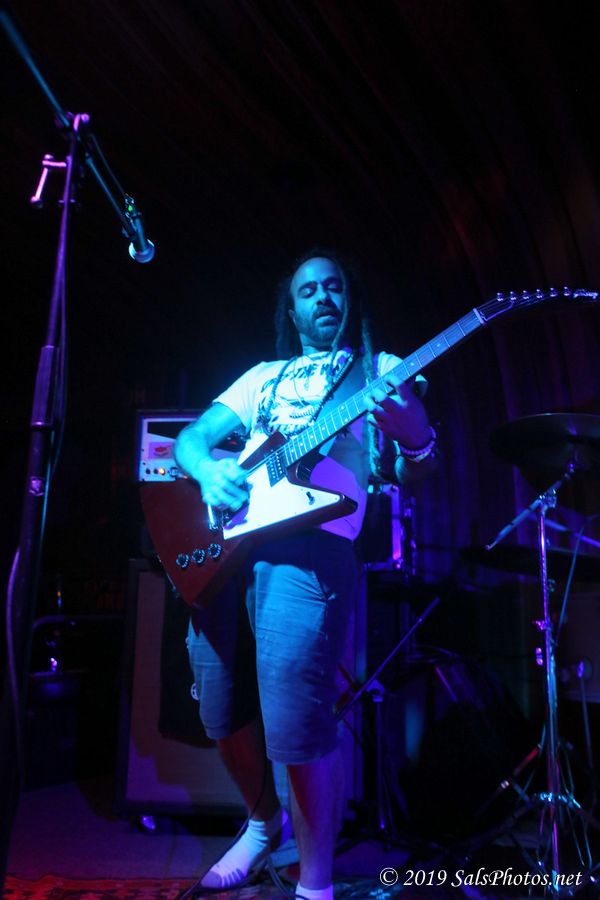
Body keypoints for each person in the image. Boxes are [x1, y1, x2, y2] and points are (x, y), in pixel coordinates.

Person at [174, 250, 438, 899]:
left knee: (298, 722)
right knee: (217, 706)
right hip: (231, 547)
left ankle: (314, 888)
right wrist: (209, 472)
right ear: (290, 312)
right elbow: (191, 440)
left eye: (333, 287)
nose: (322, 297)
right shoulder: (261, 377)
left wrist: (416, 435)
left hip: (312, 547)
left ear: (348, 299)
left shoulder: (377, 369)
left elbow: (417, 472)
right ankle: (263, 823)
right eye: (308, 291)